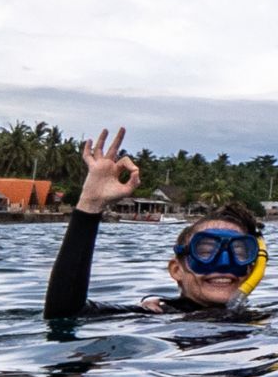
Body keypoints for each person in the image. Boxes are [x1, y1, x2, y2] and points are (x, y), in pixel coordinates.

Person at [44, 128, 266, 318]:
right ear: (177, 269)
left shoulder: (270, 317)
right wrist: (89, 206)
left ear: (253, 267)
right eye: (206, 250)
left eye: (240, 251)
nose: (225, 263)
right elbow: (65, 313)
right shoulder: (155, 317)